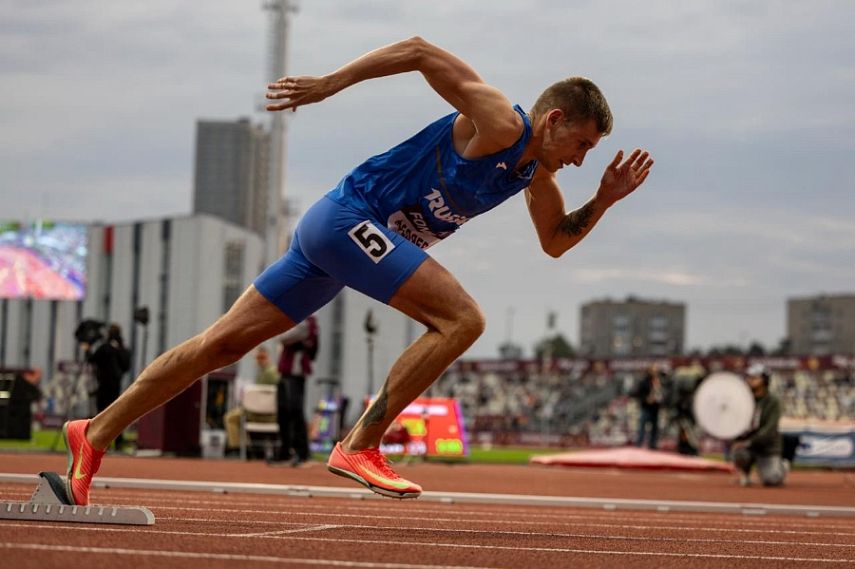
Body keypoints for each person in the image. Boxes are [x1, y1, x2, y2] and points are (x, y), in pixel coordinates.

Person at [61, 36, 654, 505]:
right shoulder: (499, 122)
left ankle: (95, 433)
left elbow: (554, 242)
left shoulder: (534, 177)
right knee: (462, 320)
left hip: (338, 244)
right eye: (581, 145)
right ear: (553, 120)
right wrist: (327, 84)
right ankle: (361, 444)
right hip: (346, 219)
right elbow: (421, 50)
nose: (580, 160)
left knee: (220, 345)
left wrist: (602, 201)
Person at [269, 314, 318, 466]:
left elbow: (283, 337)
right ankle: (285, 452)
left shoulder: (307, 321)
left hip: (295, 373)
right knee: (283, 412)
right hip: (285, 371)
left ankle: (301, 453)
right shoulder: (296, 319)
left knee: (295, 411)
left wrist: (281, 327)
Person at [732, 363, 786, 487]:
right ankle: (745, 473)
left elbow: (770, 428)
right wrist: (737, 439)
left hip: (768, 448)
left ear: (764, 380)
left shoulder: (773, 401)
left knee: (772, 480)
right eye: (749, 377)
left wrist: (750, 441)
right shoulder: (743, 399)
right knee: (740, 453)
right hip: (748, 447)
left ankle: (780, 467)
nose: (750, 380)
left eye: (754, 377)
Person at [82, 323, 131, 450]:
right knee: (117, 413)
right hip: (116, 385)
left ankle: (100, 441)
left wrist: (87, 349)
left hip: (104, 384)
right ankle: (118, 441)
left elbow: (92, 359)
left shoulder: (105, 348)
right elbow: (126, 365)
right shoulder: (122, 348)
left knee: (102, 413)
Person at [223, 346, 280, 453]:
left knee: (230, 418)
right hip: (269, 414)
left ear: (266, 357)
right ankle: (246, 448)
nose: (257, 360)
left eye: (259, 357)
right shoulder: (269, 371)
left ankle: (238, 449)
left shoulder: (268, 373)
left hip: (260, 415)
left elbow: (262, 398)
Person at [634, 365, 664, 449]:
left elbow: (662, 393)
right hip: (646, 407)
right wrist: (646, 399)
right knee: (642, 427)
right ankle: (639, 445)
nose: (655, 372)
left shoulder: (659, 381)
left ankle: (653, 445)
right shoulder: (644, 382)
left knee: (655, 428)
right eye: (653, 370)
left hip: (655, 408)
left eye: (656, 370)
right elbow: (638, 394)